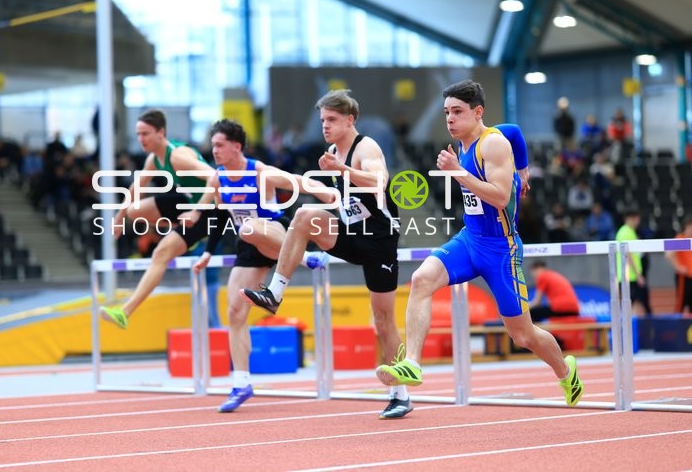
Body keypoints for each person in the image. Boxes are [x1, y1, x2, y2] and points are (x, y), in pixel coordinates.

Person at [375, 79, 584, 407]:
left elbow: (500, 197)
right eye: (447, 112)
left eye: (457, 112)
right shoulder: (467, 140)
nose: (450, 119)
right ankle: (413, 363)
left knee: (522, 335)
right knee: (421, 279)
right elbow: (515, 130)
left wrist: (458, 172)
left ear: (478, 112)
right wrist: (524, 170)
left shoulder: (493, 145)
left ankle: (565, 370)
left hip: (501, 250)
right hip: (470, 239)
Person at [241, 89, 413, 419]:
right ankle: (274, 293)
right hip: (350, 234)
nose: (325, 126)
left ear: (350, 120)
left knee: (383, 319)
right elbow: (334, 196)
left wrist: (342, 169)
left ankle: (400, 394)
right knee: (305, 216)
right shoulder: (332, 152)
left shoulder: (366, 147)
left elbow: (379, 182)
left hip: (379, 241)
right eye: (322, 120)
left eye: (332, 120)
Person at [186, 119, 330, 413]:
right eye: (213, 146)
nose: (214, 151)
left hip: (276, 231)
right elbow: (219, 217)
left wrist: (328, 194)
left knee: (249, 227)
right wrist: (208, 252)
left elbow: (299, 182)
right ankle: (241, 383)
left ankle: (303, 257)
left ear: (236, 146)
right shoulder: (217, 179)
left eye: (219, 145)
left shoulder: (259, 172)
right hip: (250, 244)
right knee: (235, 310)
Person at [99, 109, 218, 329]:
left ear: (161, 133)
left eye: (145, 133)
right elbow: (136, 187)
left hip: (208, 209)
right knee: (133, 211)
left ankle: (125, 312)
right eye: (138, 134)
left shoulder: (178, 156)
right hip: (187, 201)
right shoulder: (155, 159)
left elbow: (216, 176)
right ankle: (181, 230)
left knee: (160, 253)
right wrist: (119, 217)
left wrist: (196, 212)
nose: (141, 139)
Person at [615, 209, 651, 316]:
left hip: (631, 276)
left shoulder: (630, 232)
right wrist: (638, 274)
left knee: (637, 304)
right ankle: (634, 326)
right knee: (635, 305)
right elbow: (628, 255)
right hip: (630, 277)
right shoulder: (625, 232)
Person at [665, 216, 692, 313]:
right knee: (681, 303)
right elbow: (668, 253)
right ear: (686, 226)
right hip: (684, 277)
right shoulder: (680, 238)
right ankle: (678, 321)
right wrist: (678, 267)